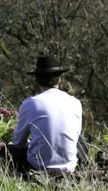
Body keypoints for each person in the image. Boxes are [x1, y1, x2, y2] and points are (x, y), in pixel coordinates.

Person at [8, 55, 83, 184]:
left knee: (9, 150)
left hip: (39, 167)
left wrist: (31, 143)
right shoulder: (75, 102)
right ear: (59, 79)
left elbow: (18, 142)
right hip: (69, 168)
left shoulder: (30, 103)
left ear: (37, 80)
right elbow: (75, 137)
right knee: (82, 142)